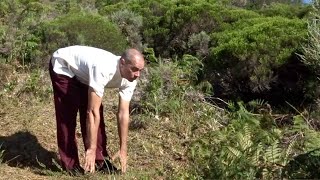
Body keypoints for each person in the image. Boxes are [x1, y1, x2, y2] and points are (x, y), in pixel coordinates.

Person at [49, 45, 145, 174]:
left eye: (140, 70)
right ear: (122, 62)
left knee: (95, 112)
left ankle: (100, 162)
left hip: (85, 74)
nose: (137, 75)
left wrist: (123, 149)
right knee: (68, 115)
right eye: (134, 69)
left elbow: (123, 113)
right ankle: (71, 165)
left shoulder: (132, 77)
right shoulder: (104, 68)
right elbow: (92, 113)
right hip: (63, 66)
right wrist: (91, 148)